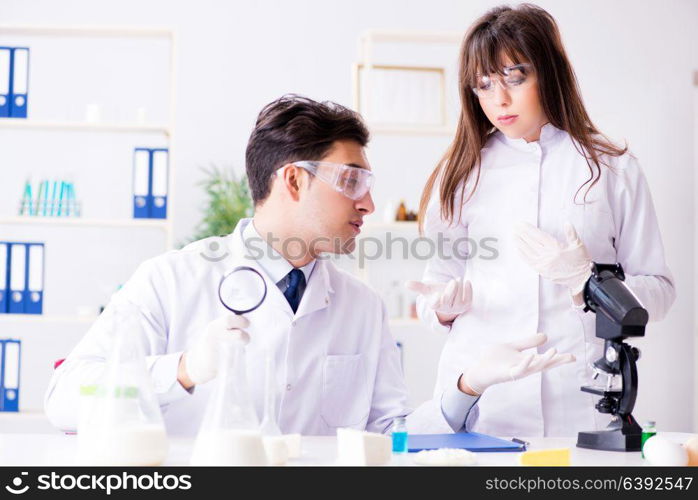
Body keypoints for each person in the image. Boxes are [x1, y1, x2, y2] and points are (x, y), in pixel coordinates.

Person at [45, 94, 573, 437]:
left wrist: (467, 385)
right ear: (293, 181)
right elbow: (65, 400)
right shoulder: (170, 280)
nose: (368, 204)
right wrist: (182, 371)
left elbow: (390, 435)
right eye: (352, 182)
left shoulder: (360, 307)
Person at [407, 4, 675, 438]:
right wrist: (440, 309)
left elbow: (659, 292)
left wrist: (586, 284)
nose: (499, 99)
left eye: (515, 77)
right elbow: (435, 283)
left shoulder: (611, 167)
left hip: (579, 404)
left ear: (549, 72)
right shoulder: (460, 173)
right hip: (483, 404)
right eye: (484, 84)